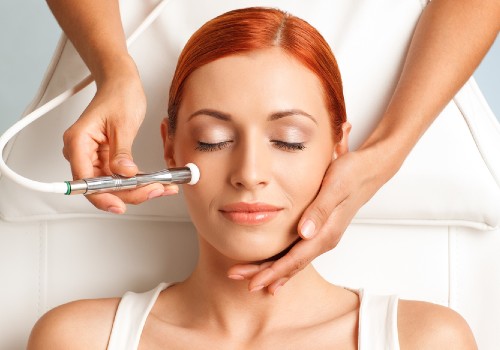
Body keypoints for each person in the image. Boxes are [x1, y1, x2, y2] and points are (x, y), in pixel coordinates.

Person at [28, 8, 476, 349]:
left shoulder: (429, 339)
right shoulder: (77, 338)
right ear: (169, 148)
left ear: (338, 148)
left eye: (289, 140)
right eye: (213, 139)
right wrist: (114, 74)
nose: (249, 174)